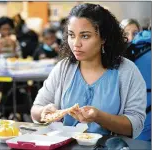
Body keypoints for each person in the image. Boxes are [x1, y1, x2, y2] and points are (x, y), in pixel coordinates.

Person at [31, 3, 146, 139]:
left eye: (85, 36)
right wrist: (44, 112)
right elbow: (35, 110)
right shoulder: (64, 68)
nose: (76, 43)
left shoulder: (127, 71)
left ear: (104, 38)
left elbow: (136, 124)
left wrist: (99, 117)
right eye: (71, 35)